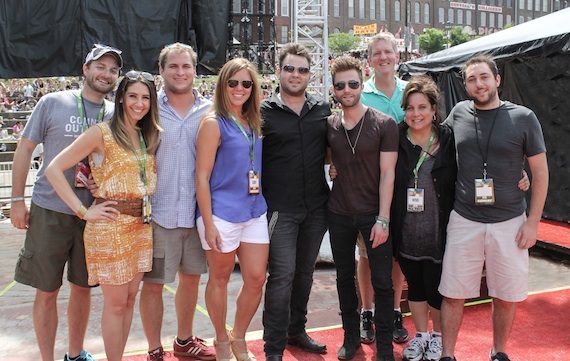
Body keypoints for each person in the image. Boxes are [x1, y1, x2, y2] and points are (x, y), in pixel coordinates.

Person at [11, 43, 122, 361]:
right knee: (46, 291)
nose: (106, 73)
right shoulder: (52, 102)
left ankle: (75, 354)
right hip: (51, 210)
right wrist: (17, 200)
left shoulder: (115, 113)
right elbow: (24, 150)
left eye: (113, 70)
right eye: (100, 66)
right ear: (85, 69)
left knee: (83, 289)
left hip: (93, 214)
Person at [45, 70, 161, 361]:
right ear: (121, 98)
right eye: (133, 95)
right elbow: (54, 169)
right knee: (116, 304)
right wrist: (84, 210)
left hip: (141, 226)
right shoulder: (101, 132)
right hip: (110, 228)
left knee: (130, 299)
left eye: (145, 97)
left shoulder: (146, 134)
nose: (139, 103)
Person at [438, 55, 549, 361]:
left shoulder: (524, 117)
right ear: (466, 85)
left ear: (497, 80)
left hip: (510, 222)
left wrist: (533, 223)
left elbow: (539, 172)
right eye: (472, 79)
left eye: (484, 77)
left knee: (505, 295)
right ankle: (447, 354)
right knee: (453, 293)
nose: (479, 84)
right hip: (464, 219)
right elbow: (430, 144)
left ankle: (499, 352)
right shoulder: (458, 113)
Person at [139, 42, 215, 361]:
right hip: (159, 215)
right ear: (161, 71)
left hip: (197, 215)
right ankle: (155, 348)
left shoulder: (210, 109)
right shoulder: (146, 108)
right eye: (173, 66)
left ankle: (184, 341)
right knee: (154, 284)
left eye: (186, 66)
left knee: (191, 280)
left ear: (195, 71)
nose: (180, 72)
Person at [261, 43, 331, 361]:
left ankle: (296, 330)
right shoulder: (262, 111)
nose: (295, 74)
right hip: (279, 208)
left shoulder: (322, 110)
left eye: (302, 69)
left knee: (305, 272)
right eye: (290, 68)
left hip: (316, 206)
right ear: (279, 71)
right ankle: (273, 346)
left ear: (310, 74)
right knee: (282, 276)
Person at [196, 57, 269, 361]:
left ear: (253, 88)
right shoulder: (213, 123)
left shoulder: (252, 121)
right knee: (220, 279)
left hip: (254, 211)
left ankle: (238, 336)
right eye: (233, 83)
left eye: (246, 84)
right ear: (222, 85)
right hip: (221, 214)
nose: (240, 89)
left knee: (255, 278)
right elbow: (201, 176)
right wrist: (209, 222)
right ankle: (221, 341)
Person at [327, 56, 399, 361]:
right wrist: (332, 166)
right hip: (339, 213)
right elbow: (330, 160)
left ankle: (384, 347)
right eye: (341, 85)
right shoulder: (329, 124)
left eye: (353, 83)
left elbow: (388, 174)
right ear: (333, 89)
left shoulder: (385, 123)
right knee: (344, 279)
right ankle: (351, 338)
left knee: (382, 283)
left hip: (374, 215)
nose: (347, 89)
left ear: (362, 83)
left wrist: (383, 218)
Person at [391, 76, 457, 361]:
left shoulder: (449, 138)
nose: (415, 114)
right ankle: (421, 335)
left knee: (436, 288)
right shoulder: (395, 137)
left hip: (438, 228)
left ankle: (439, 338)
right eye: (410, 107)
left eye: (422, 107)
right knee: (414, 286)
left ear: (433, 109)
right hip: (406, 227)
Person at [359, 31, 410, 345]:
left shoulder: (411, 91)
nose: (383, 58)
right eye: (376, 53)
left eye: (387, 52)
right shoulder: (359, 93)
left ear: (397, 56)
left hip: (405, 186)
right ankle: (367, 312)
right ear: (369, 60)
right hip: (368, 188)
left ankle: (392, 311)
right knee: (367, 254)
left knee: (397, 256)